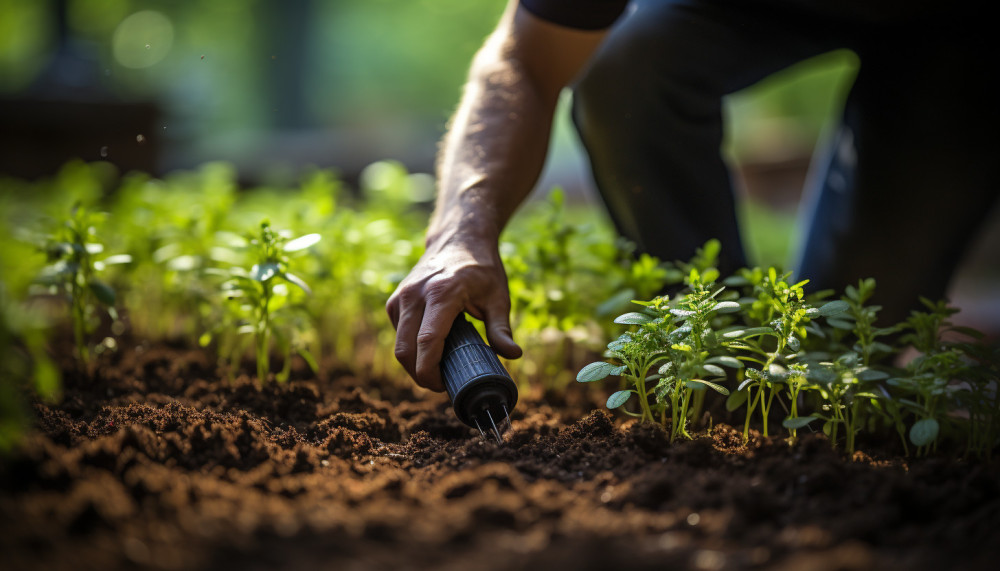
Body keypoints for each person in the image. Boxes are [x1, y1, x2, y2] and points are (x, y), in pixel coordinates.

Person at [386, 0, 999, 391]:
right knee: (624, 65)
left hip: (956, 33)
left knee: (838, 362)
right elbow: (526, 58)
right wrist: (458, 234)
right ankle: (705, 350)